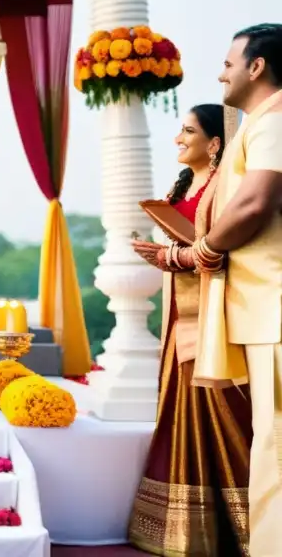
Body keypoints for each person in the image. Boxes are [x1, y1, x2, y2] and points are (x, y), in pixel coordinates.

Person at [172, 23, 282, 556]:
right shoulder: (260, 122)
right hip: (263, 308)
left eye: (229, 62)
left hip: (275, 307)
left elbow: (255, 204)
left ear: (256, 67)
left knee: (277, 448)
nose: (222, 72)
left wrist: (201, 251)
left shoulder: (275, 119)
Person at [128, 104, 251, 555]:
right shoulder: (182, 185)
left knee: (225, 409)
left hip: (215, 317)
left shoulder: (229, 186)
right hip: (181, 314)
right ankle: (190, 529)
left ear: (215, 143)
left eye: (188, 130)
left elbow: (228, 248)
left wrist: (169, 257)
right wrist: (165, 253)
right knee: (182, 412)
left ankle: (250, 524)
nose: (178, 138)